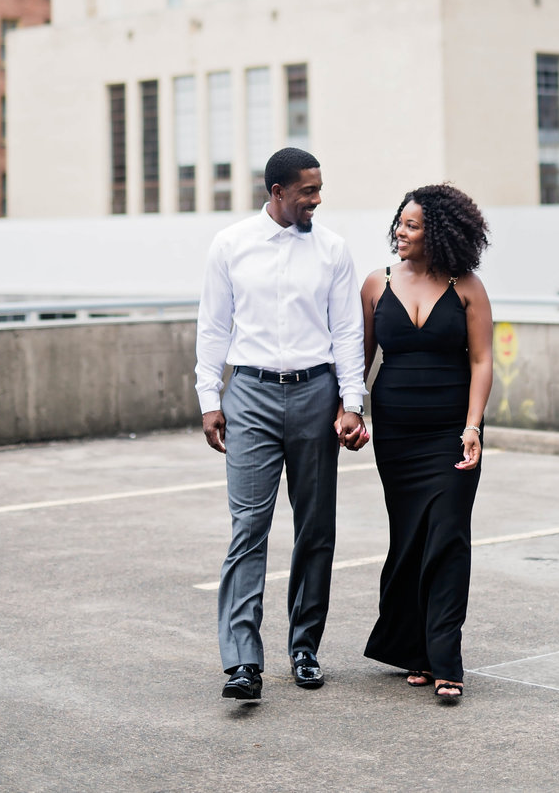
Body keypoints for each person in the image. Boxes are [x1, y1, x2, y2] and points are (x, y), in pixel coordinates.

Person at [196, 146, 369, 702]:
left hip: (317, 394)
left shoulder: (333, 250)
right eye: (307, 191)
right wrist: (209, 398)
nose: (317, 200)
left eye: (319, 189)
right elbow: (213, 326)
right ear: (277, 192)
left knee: (316, 528)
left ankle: (305, 647)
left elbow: (347, 333)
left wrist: (352, 404)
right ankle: (242, 661)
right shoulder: (230, 246)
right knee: (249, 528)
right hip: (249, 393)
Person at [360, 184, 492, 703]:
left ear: (436, 233)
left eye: (411, 225)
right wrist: (350, 410)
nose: (400, 231)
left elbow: (482, 361)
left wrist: (473, 425)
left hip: (451, 432)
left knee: (449, 536)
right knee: (410, 536)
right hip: (396, 433)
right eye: (400, 222)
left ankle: (445, 659)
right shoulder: (377, 283)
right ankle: (413, 649)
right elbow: (360, 358)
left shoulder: (467, 287)